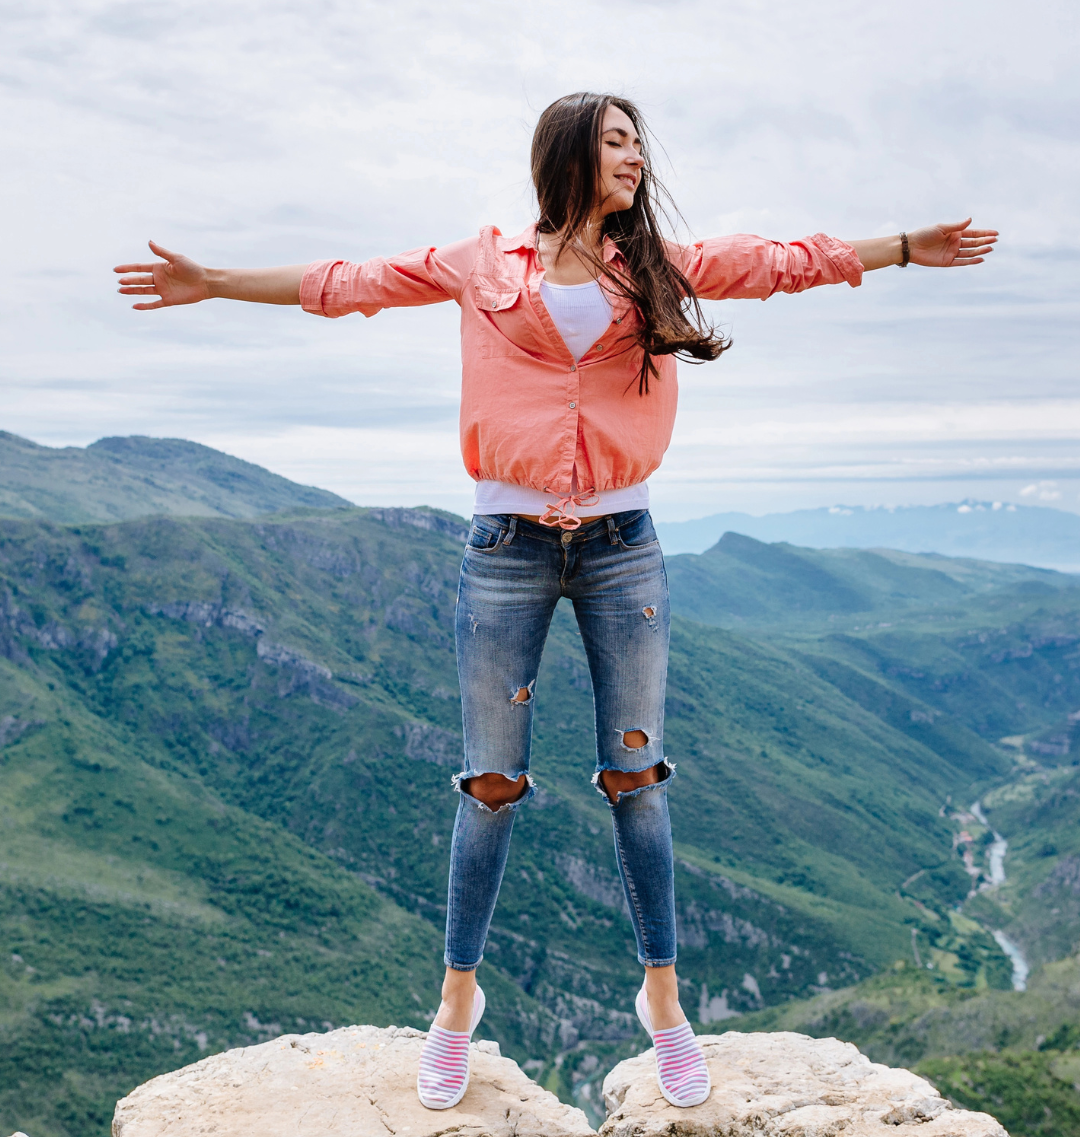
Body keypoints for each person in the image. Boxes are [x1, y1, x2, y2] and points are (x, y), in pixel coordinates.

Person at [115, 91, 997, 1111]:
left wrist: (896, 246)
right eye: (616, 141)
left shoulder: (656, 265)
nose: (633, 157)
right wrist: (211, 280)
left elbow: (779, 261)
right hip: (507, 547)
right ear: (570, 154)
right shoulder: (481, 263)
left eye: (636, 142)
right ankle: (455, 1008)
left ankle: (664, 1007)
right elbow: (344, 282)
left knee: (638, 777)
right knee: (489, 782)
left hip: (625, 547)